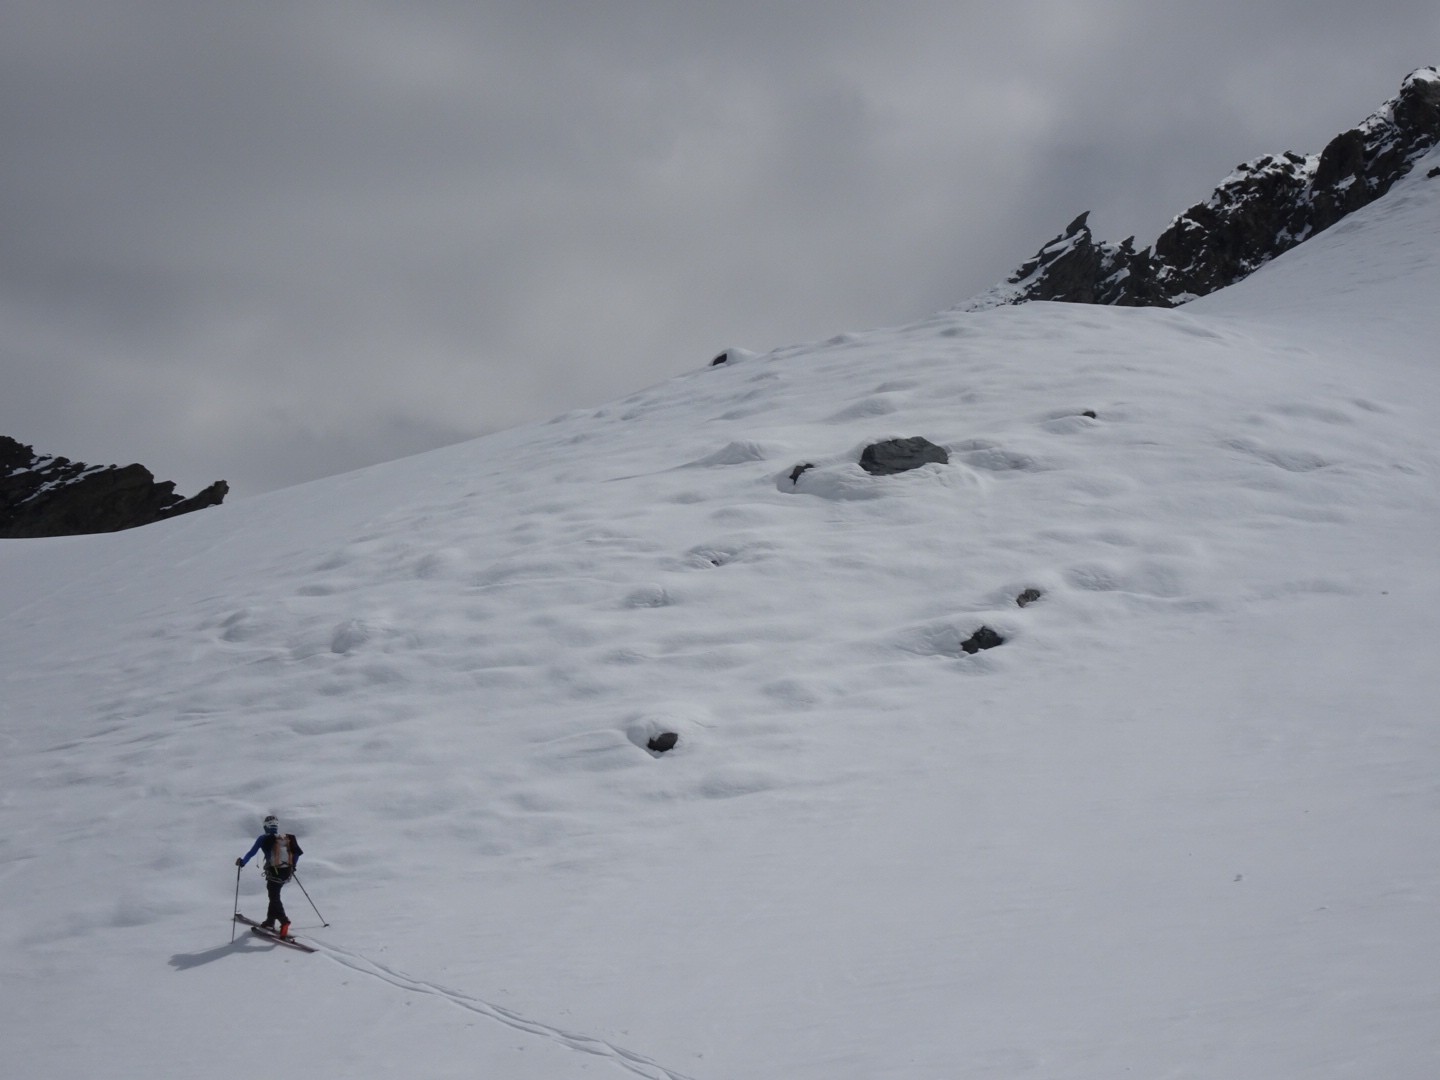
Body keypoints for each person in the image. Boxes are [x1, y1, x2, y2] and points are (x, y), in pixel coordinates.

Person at [236, 815, 303, 938]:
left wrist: (243, 862)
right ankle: (270, 921)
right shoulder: (287, 837)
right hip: (286, 872)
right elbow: (297, 853)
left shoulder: (263, 838)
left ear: (266, 826)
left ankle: (284, 921)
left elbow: (252, 853)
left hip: (274, 873)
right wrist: (293, 867)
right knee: (273, 895)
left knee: (274, 897)